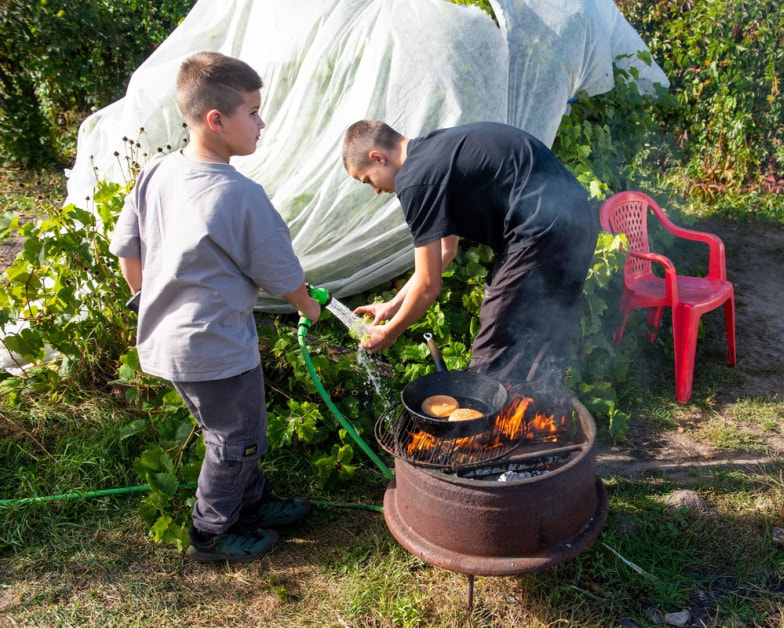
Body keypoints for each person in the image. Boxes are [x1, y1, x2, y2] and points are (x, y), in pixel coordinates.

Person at [110, 51, 323, 563]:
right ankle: (211, 530)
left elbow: (128, 251)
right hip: (216, 347)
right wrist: (309, 308)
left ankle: (250, 501)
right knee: (237, 439)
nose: (261, 123)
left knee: (232, 429)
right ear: (216, 120)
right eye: (253, 112)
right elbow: (282, 275)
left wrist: (151, 305)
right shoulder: (240, 194)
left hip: (170, 341)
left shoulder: (158, 172)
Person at [343, 120, 599, 386]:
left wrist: (391, 333)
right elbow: (446, 250)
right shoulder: (435, 153)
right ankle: (538, 412)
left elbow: (429, 286)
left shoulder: (415, 179)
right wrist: (392, 305)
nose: (375, 190)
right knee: (546, 327)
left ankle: (485, 421)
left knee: (496, 345)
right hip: (578, 219)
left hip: (541, 231)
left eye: (368, 180)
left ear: (378, 158)